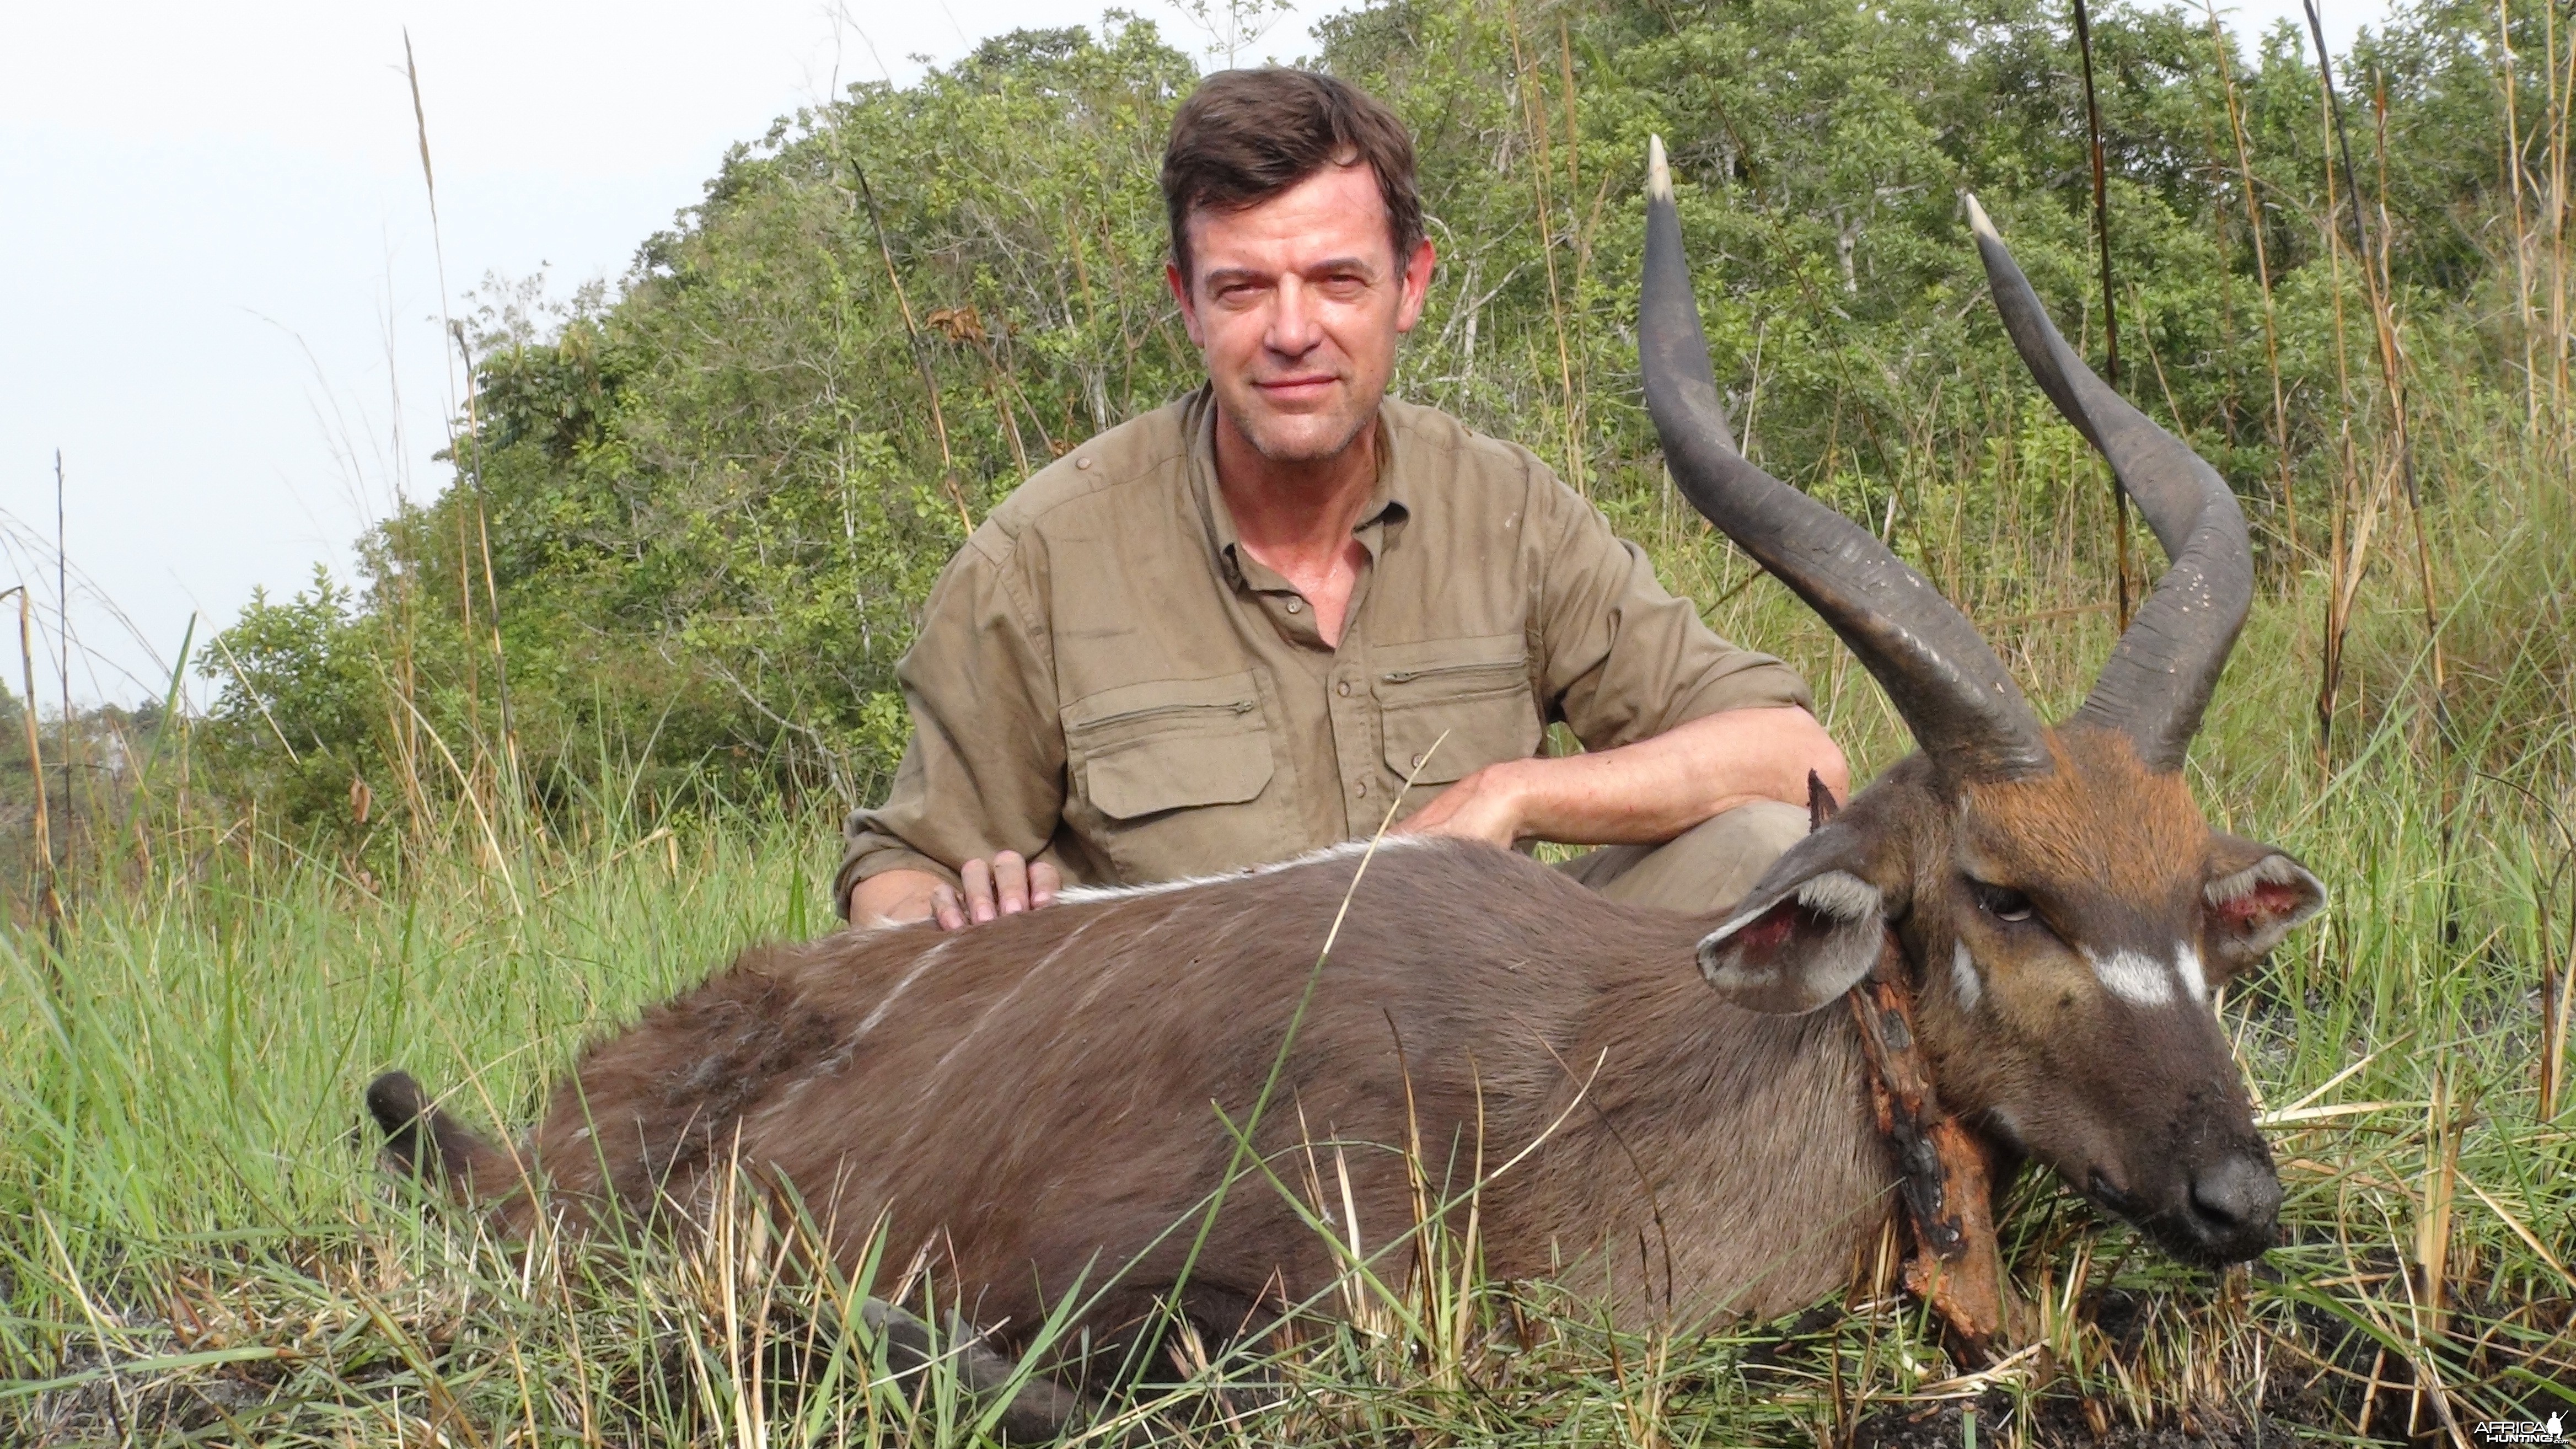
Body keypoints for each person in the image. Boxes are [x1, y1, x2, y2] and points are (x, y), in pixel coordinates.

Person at [839, 67, 1845, 932]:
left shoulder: (1511, 512)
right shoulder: (1040, 556)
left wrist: (1511, 794)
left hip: (1486, 1020)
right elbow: (897, 876)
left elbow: (1797, 762)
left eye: (1336, 281)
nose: (1291, 331)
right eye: (1242, 289)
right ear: (1186, 302)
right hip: (1188, 1074)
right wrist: (952, 914)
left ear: (1409, 287)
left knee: (1770, 849)